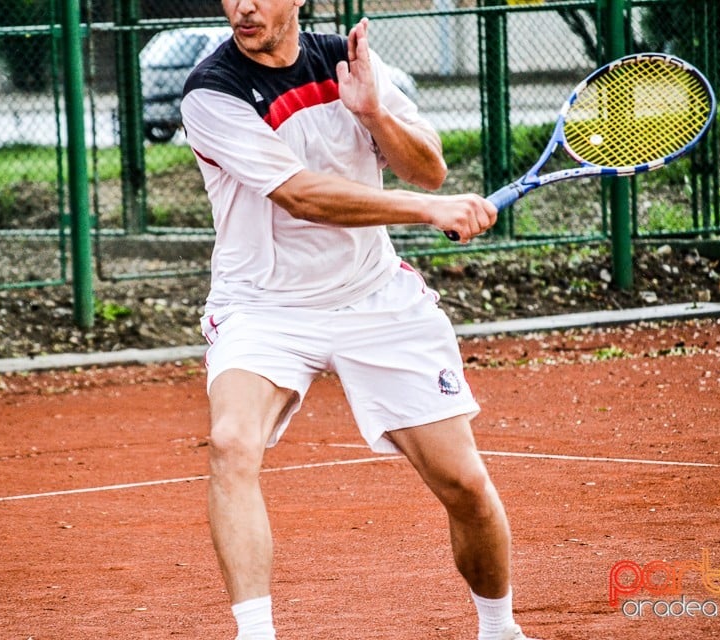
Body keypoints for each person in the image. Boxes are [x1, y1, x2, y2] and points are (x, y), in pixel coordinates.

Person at [180, 1, 538, 639]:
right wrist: (428, 211)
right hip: (263, 307)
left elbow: (429, 167)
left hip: (375, 298)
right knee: (233, 443)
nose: (244, 6)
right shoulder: (212, 93)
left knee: (463, 482)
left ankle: (500, 629)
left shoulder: (354, 64)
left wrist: (373, 112)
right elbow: (302, 194)